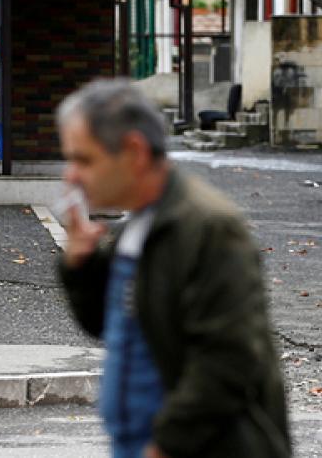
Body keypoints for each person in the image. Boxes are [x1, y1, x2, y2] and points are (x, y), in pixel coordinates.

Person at [56, 78, 291, 458]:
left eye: (84, 160)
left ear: (133, 151)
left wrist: (166, 445)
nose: (71, 175)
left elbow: (229, 361)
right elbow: (103, 323)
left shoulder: (209, 227)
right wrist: (79, 265)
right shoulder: (135, 228)